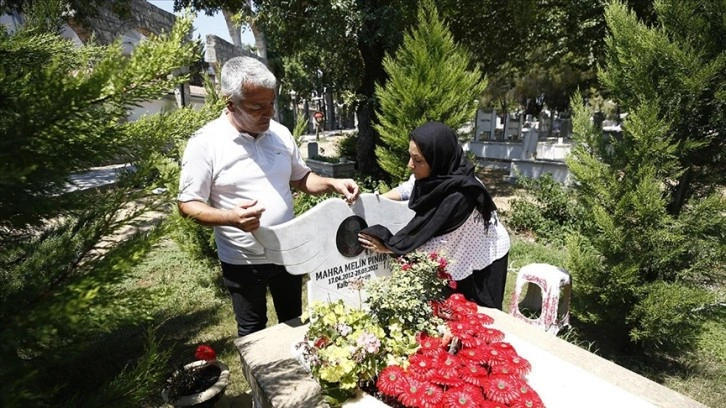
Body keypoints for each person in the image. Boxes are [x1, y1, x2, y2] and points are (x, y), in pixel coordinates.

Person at [177, 56, 360, 336]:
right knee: (253, 333)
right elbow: (187, 204)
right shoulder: (205, 143)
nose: (268, 113)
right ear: (230, 103)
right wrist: (231, 218)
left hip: (287, 250)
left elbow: (301, 178)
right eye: (257, 107)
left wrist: (332, 183)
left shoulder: (280, 134)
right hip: (243, 260)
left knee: (294, 324)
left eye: (271, 103)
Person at [358, 121, 510, 309]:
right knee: (453, 309)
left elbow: (430, 244)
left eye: (418, 160)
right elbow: (409, 187)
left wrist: (389, 247)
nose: (409, 165)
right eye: (410, 156)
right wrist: (377, 201)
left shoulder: (461, 196)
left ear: (438, 158)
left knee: (482, 315)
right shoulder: (438, 173)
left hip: (486, 257)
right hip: (462, 250)